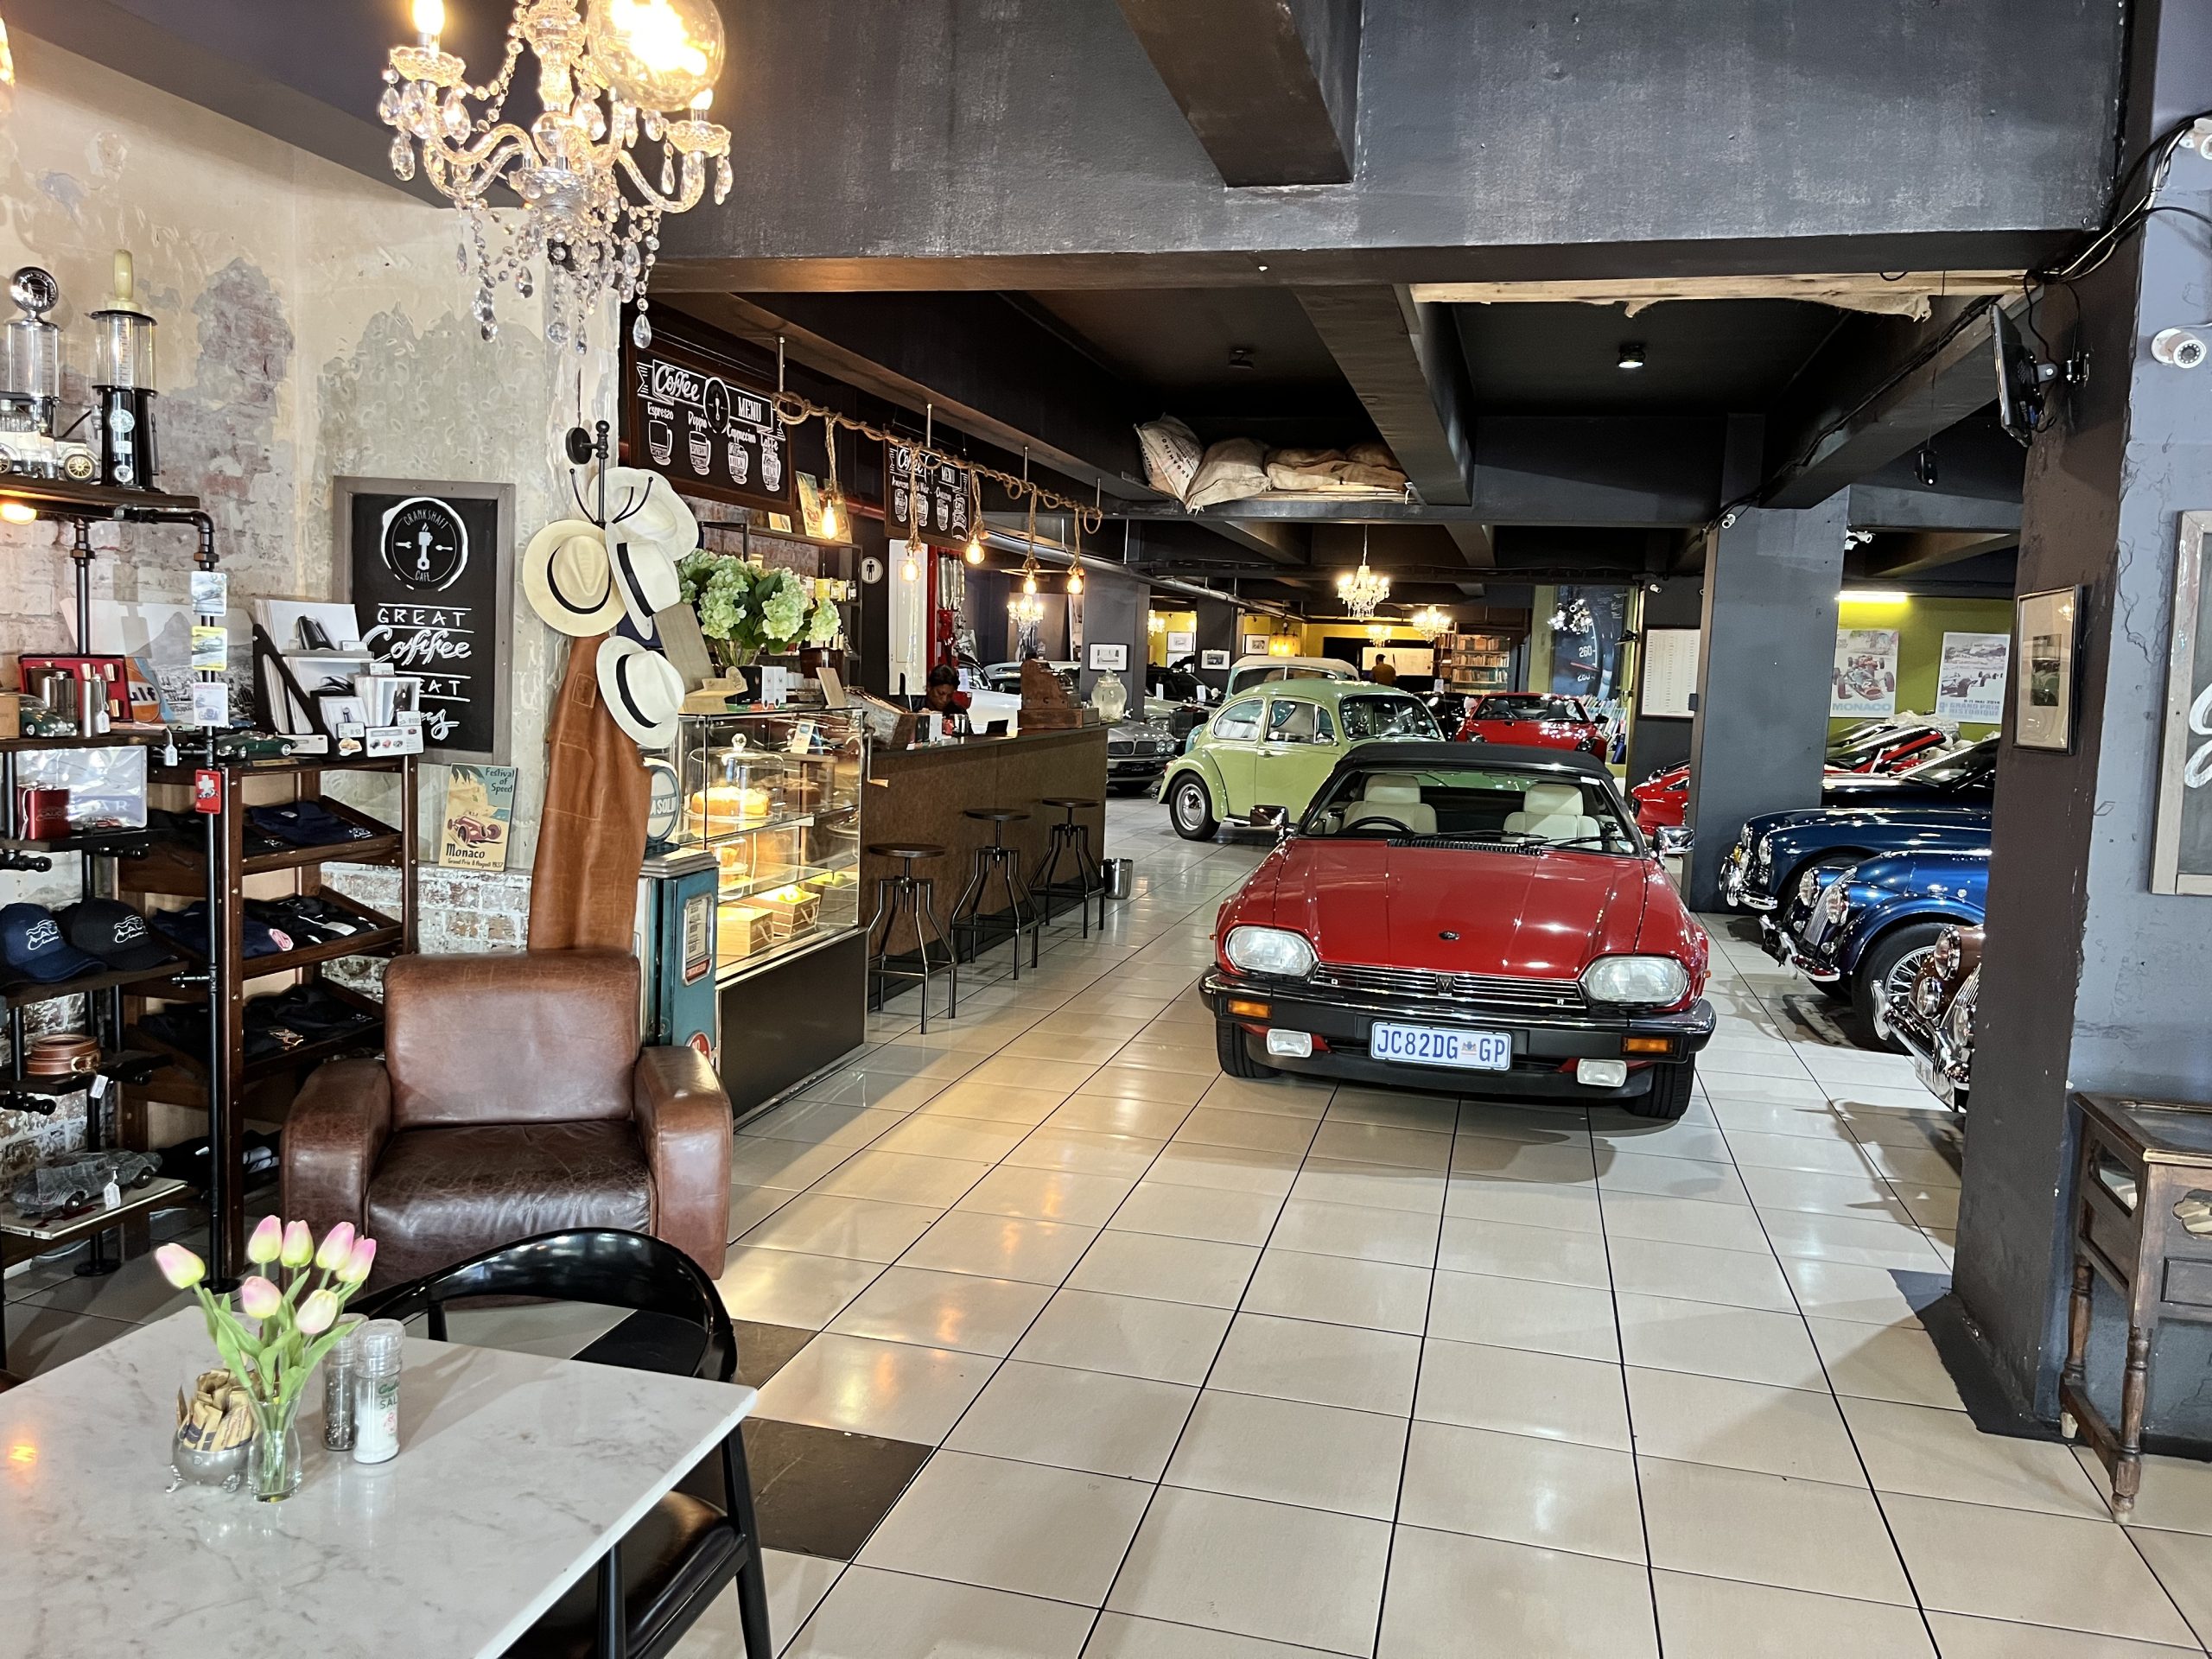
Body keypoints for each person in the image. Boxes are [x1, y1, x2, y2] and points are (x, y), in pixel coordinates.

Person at [922, 664, 971, 735]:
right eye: (940, 693)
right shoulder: (913, 708)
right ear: (929, 687)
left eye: (949, 696)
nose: (944, 700)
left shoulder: (958, 713)